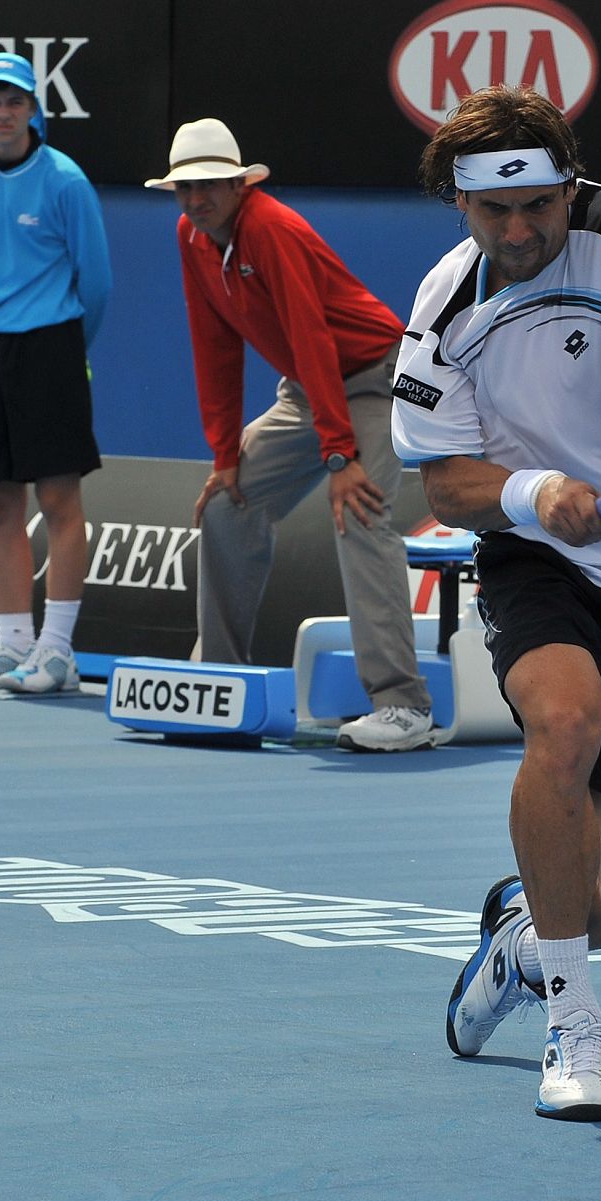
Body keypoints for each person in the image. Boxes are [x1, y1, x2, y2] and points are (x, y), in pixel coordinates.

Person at [390, 85, 601, 1120]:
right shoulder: (446, 309)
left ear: (566, 184)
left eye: (538, 202)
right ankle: (573, 1030)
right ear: (459, 206)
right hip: (537, 559)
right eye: (496, 211)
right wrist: (549, 498)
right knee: (563, 723)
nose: (522, 228)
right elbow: (445, 484)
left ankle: (524, 943)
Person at [144, 118, 433, 752]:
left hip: (375, 379)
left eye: (209, 187)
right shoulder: (191, 235)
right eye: (184, 190)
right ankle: (216, 686)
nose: (196, 201)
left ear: (239, 184)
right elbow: (213, 345)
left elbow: (311, 333)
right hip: (308, 389)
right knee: (226, 503)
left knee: (361, 513)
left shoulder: (272, 228)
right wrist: (225, 456)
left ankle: (402, 706)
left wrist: (338, 456)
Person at [0, 52, 111, 694]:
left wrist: (67, 350)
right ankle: (11, 644)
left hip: (52, 346)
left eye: (14, 101)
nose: (3, 113)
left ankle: (58, 652)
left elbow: (96, 280)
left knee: (60, 500)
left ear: (33, 109)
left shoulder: (65, 180)